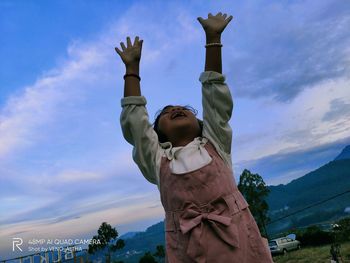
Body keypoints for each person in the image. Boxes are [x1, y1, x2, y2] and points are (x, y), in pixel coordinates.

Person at [115, 12, 274, 263]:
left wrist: (213, 39)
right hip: (189, 252)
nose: (175, 109)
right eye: (166, 113)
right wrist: (131, 70)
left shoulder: (215, 144)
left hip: (241, 246)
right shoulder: (158, 161)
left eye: (183, 108)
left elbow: (215, 98)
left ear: (200, 124)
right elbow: (136, 126)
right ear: (158, 134)